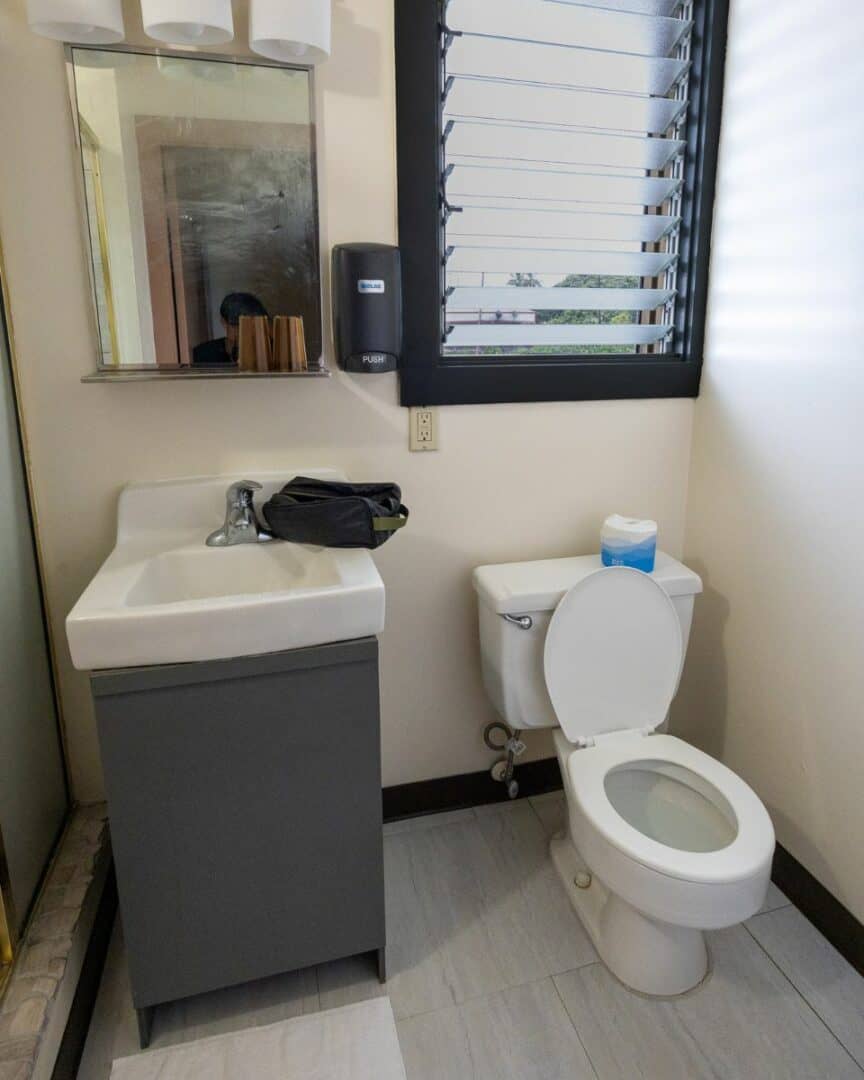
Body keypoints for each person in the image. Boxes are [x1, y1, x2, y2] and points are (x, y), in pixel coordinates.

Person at [191, 292, 268, 366]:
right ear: (224, 322)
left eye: (252, 326)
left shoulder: (267, 351)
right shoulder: (203, 354)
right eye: (237, 326)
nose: (244, 332)